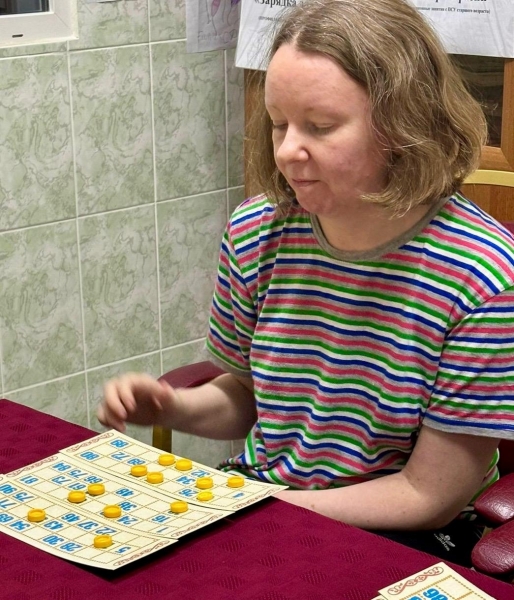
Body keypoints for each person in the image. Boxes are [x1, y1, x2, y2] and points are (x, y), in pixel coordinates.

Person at [98, 0, 514, 566]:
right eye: (279, 123)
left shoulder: (483, 277)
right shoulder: (256, 232)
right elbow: (247, 397)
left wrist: (264, 508)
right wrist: (174, 408)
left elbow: (429, 497)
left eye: (320, 127)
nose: (288, 151)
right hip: (268, 497)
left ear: (404, 127)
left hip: (401, 532)